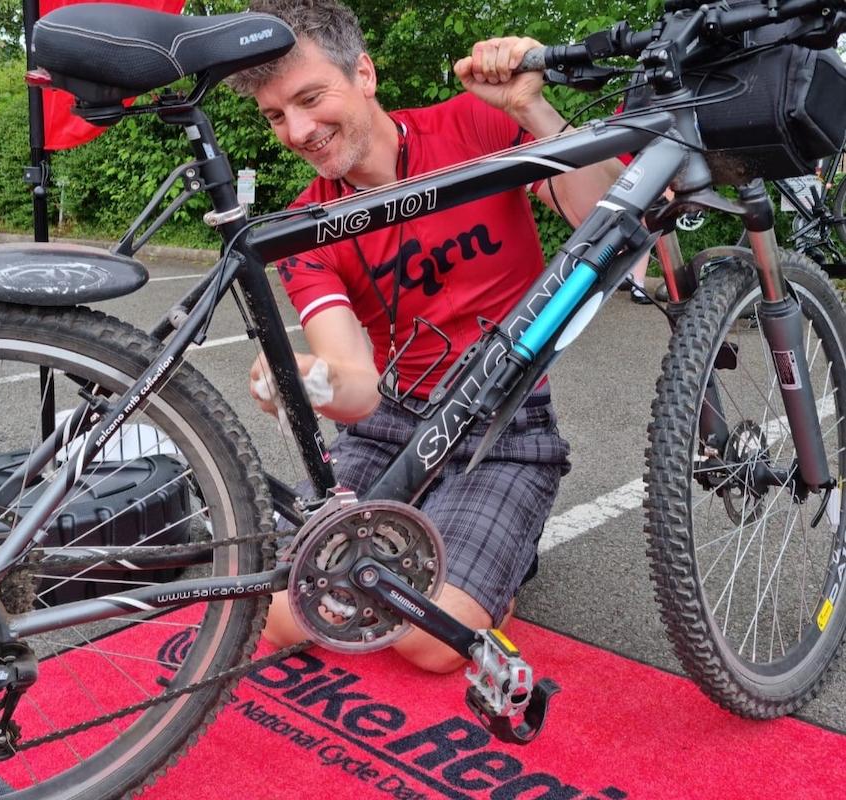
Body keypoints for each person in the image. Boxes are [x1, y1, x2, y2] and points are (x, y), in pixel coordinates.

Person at [228, 0, 625, 673]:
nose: (298, 130)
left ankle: (500, 555)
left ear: (365, 74)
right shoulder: (307, 228)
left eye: (310, 97)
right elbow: (354, 390)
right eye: (275, 116)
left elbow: (602, 220)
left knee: (429, 640)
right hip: (388, 424)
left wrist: (529, 107)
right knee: (280, 615)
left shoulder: (472, 122)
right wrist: (307, 380)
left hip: (503, 430)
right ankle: (447, 538)